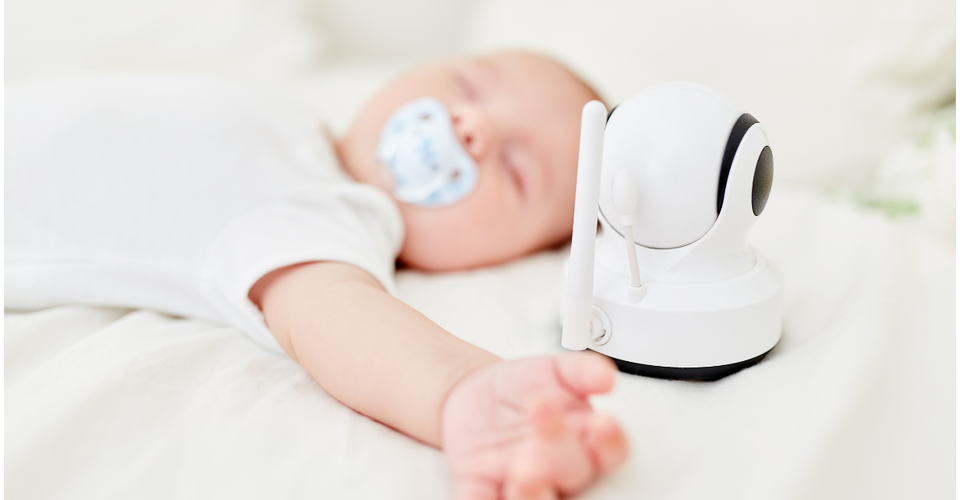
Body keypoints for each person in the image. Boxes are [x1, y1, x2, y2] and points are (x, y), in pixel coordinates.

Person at [4, 51, 627, 500]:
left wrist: (461, 389)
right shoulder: (300, 129)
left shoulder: (330, 215)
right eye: (468, 83)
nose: (474, 124)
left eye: (517, 170)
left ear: (511, 256)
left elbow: (334, 314)